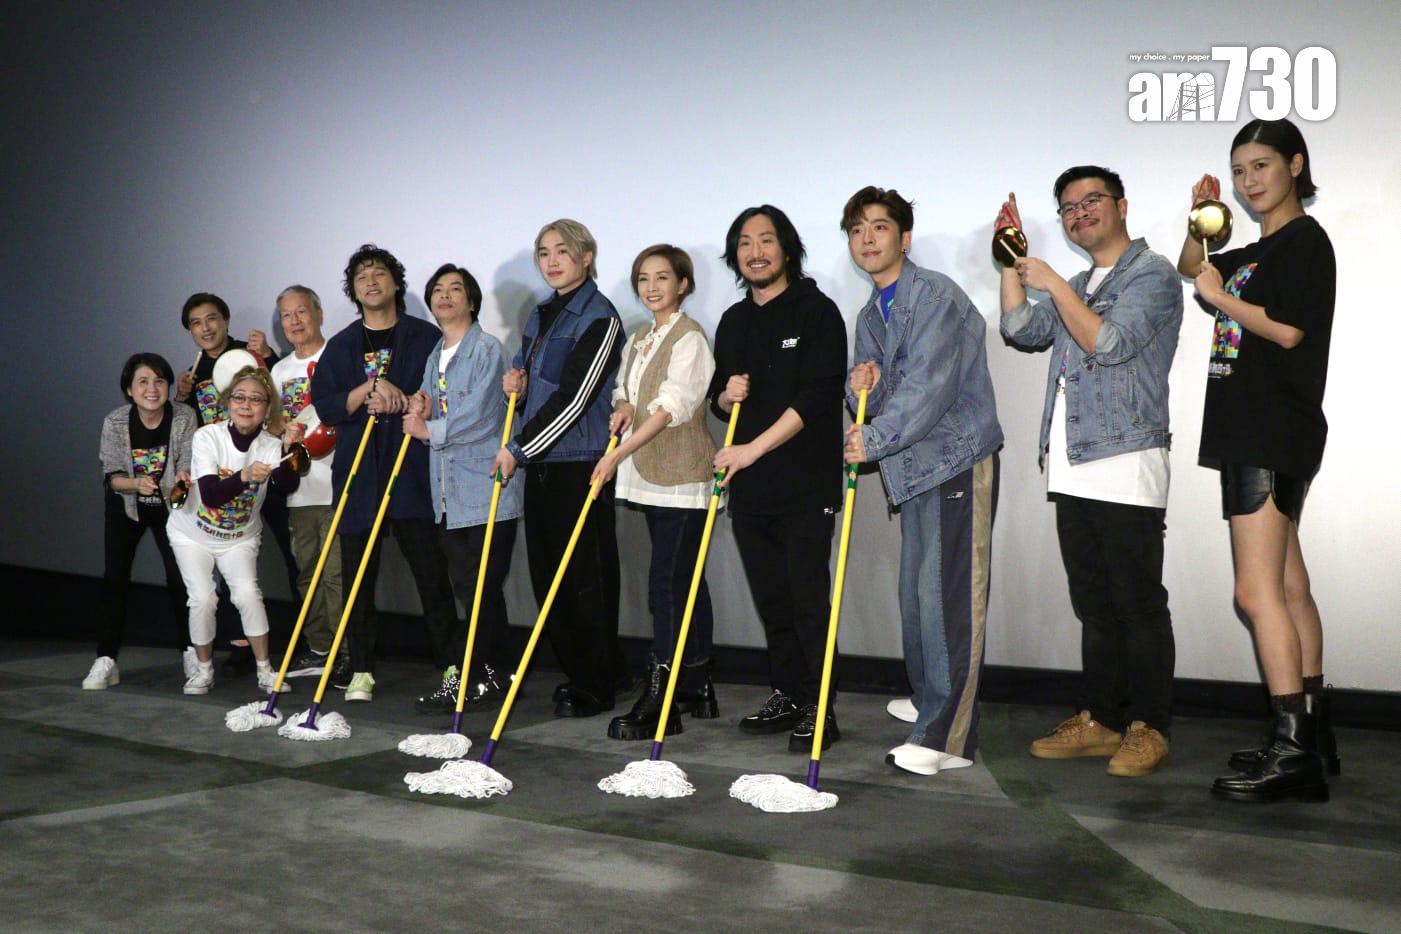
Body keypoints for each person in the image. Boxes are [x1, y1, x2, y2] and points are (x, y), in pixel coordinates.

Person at [999, 166, 1183, 778]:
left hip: (1126, 463)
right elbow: (1021, 329)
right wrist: (1011, 262)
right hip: (1073, 466)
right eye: (1068, 208)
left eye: (1090, 201)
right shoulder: (1080, 280)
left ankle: (1149, 726)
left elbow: (1109, 342)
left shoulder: (1151, 274)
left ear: (1121, 204)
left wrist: (1050, 279)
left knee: (1137, 603)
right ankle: (1102, 719)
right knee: (1095, 606)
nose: (1079, 214)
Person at [1177, 118, 1336, 803]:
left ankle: (1292, 746)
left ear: (1294, 166)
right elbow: (1192, 265)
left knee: (1254, 593)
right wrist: (1199, 220)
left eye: (1261, 166)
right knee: (1288, 586)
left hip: (1269, 431)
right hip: (1261, 431)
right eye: (1239, 170)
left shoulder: (1303, 241)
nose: (1248, 181)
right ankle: (1311, 732)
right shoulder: (1255, 249)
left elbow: (1288, 330)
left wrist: (1219, 301)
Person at [841, 187, 1003, 775]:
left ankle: (947, 737)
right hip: (913, 468)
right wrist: (862, 385)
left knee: (947, 597)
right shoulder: (869, 314)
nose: (867, 238)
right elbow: (881, 397)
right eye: (857, 229)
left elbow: (930, 388)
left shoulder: (934, 295)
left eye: (879, 227)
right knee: (917, 595)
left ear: (904, 238)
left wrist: (873, 439)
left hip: (955, 457)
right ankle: (933, 694)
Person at [708, 205, 847, 752]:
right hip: (751, 487)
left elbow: (816, 397)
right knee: (772, 597)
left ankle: (820, 705)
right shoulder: (734, 321)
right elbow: (720, 400)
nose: (756, 252)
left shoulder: (817, 311)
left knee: (809, 599)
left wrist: (748, 451)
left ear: (787, 249)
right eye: (745, 243)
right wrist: (724, 396)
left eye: (766, 241)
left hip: (803, 483)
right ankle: (788, 691)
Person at [309, 244, 458, 704]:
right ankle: (363, 669)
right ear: (353, 291)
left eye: (379, 274)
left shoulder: (423, 336)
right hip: (359, 475)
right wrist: (367, 389)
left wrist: (406, 396)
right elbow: (328, 403)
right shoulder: (342, 344)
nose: (371, 282)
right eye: (361, 277)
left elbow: (439, 390)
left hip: (411, 471)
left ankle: (452, 664)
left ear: (396, 283)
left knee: (431, 574)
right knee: (357, 580)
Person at [492, 219, 625, 718]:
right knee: (550, 577)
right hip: (543, 465)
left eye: (562, 251)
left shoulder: (600, 316)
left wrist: (518, 449)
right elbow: (542, 389)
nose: (552, 261)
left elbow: (575, 400)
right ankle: (593, 670)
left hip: (580, 466)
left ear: (586, 256)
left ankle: (597, 684)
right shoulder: (542, 313)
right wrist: (520, 389)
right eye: (543, 253)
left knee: (584, 578)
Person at [591, 244, 720, 741]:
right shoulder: (640, 337)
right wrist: (622, 407)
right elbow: (628, 392)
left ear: (683, 284)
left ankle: (662, 697)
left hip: (684, 476)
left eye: (662, 278)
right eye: (643, 278)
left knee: (667, 586)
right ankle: (697, 682)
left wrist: (616, 454)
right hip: (652, 476)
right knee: (684, 583)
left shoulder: (690, 338)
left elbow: (671, 408)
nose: (652, 287)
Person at [404, 263, 522, 713]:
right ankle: (493, 674)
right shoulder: (436, 355)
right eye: (437, 290)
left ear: (471, 301)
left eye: (455, 289)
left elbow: (482, 417)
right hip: (449, 495)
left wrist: (428, 430)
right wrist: (421, 406)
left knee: (481, 588)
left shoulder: (488, 350)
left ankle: (480, 675)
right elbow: (434, 406)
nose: (445, 296)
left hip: (486, 489)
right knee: (470, 590)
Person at [173, 291, 295, 677]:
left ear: (225, 321)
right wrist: (182, 396)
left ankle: (299, 643)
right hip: (217, 477)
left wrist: (268, 355)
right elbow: (190, 427)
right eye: (196, 322)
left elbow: (275, 392)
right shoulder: (192, 376)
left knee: (282, 557)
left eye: (212, 318)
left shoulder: (250, 356)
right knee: (212, 582)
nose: (205, 328)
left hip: (260, 465)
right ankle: (238, 646)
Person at [88, 353, 197, 689]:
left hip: (172, 508)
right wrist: (136, 483)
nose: (153, 388)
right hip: (126, 505)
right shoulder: (116, 422)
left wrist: (183, 477)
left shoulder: (183, 416)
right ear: (130, 390)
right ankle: (106, 659)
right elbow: (113, 477)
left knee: (182, 580)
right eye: (143, 381)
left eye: (160, 381)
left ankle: (192, 653)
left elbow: (190, 463)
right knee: (114, 579)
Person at [269, 286, 348, 687]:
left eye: (302, 311)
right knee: (308, 573)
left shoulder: (339, 356)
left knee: (336, 574)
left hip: (338, 484)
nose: (295, 321)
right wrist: (283, 430)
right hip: (300, 489)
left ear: (318, 313)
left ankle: (344, 652)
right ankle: (319, 648)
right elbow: (271, 425)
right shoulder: (279, 372)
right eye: (287, 315)